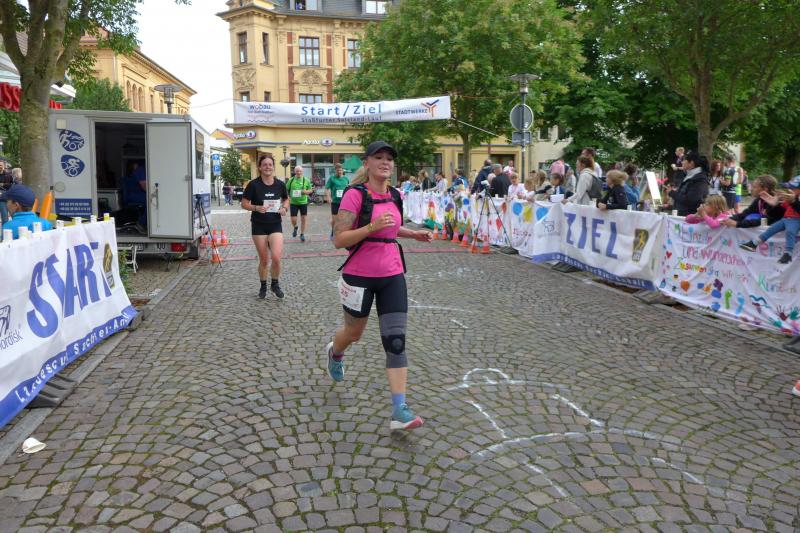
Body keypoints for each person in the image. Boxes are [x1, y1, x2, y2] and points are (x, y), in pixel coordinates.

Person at [327, 141, 432, 431]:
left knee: (396, 341)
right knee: (354, 332)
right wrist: (371, 228)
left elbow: (391, 227)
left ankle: (399, 410)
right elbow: (339, 239)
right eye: (379, 157)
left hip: (392, 274)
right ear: (367, 163)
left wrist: (413, 234)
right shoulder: (355, 195)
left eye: (389, 158)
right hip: (359, 275)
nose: (385, 162)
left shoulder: (395, 195)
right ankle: (335, 352)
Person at [242, 154, 289, 299]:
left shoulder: (280, 184)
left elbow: (286, 199)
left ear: (273, 167)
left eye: (270, 164)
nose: (268, 167)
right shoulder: (253, 185)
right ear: (260, 167)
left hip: (275, 224)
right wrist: (256, 208)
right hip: (259, 226)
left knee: (276, 257)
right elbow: (244, 203)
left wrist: (284, 208)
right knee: (264, 260)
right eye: (265, 165)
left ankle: (275, 284)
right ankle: (263, 286)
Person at [740, 176, 800, 264]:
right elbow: (749, 213)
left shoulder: (791, 199)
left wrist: (741, 223)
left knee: (789, 232)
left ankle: (788, 254)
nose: (751, 189)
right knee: (771, 229)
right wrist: (773, 205)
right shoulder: (759, 200)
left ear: (765, 189)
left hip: (792, 220)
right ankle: (754, 243)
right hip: (784, 219)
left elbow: (769, 219)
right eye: (788, 187)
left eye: (754, 187)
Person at [667, 151, 708, 216]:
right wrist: (676, 191)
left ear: (691, 163)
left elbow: (690, 200)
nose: (682, 162)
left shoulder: (700, 179)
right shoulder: (691, 175)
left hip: (688, 217)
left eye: (684, 160)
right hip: (682, 215)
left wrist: (672, 193)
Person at [287, 165, 313, 241]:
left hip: (303, 202)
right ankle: (295, 227)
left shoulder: (306, 180)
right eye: (297, 171)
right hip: (293, 202)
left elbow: (311, 190)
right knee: (293, 219)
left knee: (303, 219)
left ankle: (302, 234)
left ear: (302, 172)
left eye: (300, 171)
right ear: (295, 172)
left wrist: (306, 192)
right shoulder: (291, 180)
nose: (298, 172)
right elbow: (286, 189)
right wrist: (287, 196)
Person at [325, 163, 350, 240]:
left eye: (340, 170)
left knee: (343, 219)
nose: (339, 171)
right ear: (335, 170)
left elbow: (349, 189)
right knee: (334, 220)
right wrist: (328, 197)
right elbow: (327, 188)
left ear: (342, 170)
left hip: (344, 202)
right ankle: (333, 232)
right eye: (338, 170)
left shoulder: (346, 179)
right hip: (335, 202)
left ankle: (341, 233)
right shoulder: (332, 178)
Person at [0, 158, 13, 223]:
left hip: (3, 197)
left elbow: (12, 185)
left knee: (4, 217)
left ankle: (6, 227)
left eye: (0, 165)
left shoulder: (8, 175)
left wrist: (3, 184)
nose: (0, 167)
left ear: (3, 166)